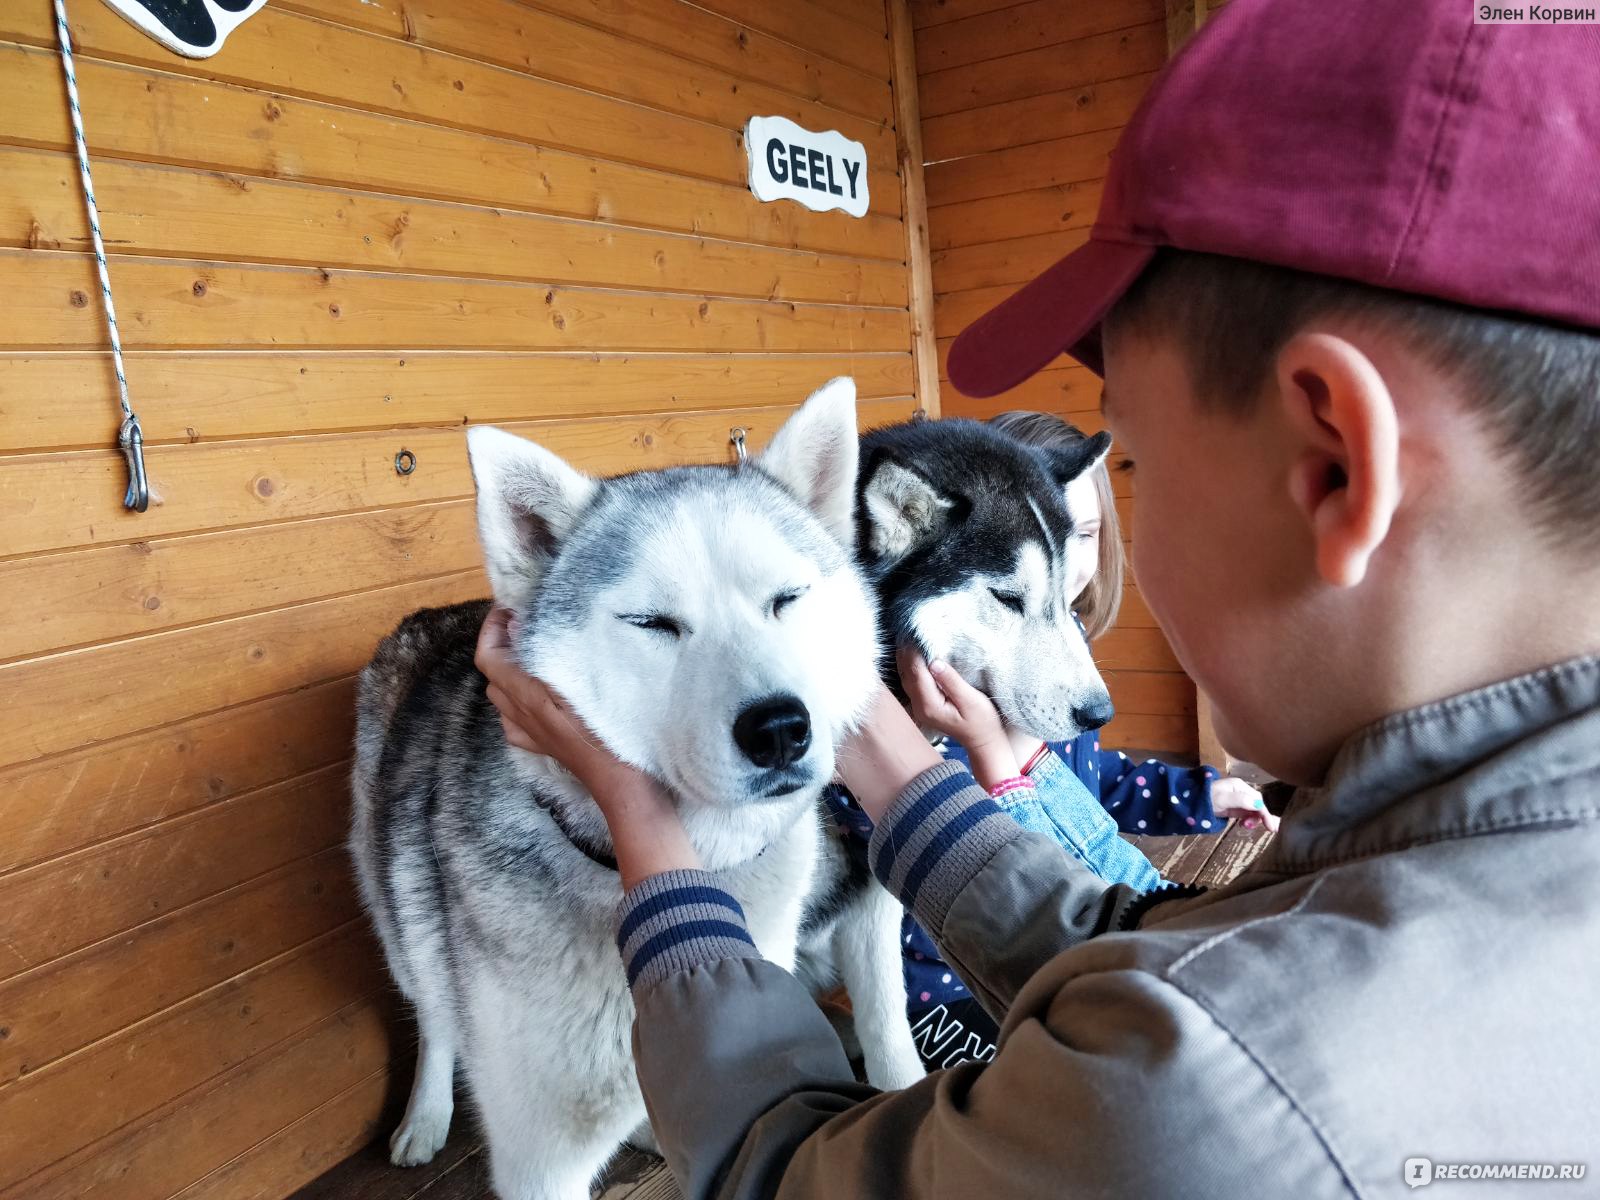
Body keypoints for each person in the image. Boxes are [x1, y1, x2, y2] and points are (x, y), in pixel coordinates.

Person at [477, 1, 1600, 1194]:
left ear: (1333, 465)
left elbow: (776, 1171)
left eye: (1137, 466)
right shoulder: (1472, 861)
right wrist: (873, 735)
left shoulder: (1201, 1102)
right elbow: (1153, 957)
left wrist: (644, 828)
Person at [826, 409, 1276, 1070]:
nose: (1067, 579)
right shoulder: (949, 694)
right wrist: (981, 753)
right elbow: (915, 850)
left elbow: (1101, 783)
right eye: (1015, 596)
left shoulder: (1035, 664)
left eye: (1084, 535)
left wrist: (1202, 794)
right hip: (948, 984)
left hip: (1084, 938)